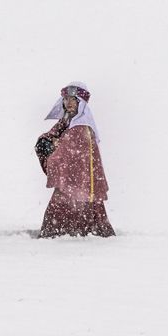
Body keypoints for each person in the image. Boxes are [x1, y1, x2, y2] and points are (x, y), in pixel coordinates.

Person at [35, 82, 115, 238]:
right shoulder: (66, 123)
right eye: (65, 99)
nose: (68, 103)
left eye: (73, 99)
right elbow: (49, 139)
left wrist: (51, 147)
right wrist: (49, 143)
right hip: (72, 187)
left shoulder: (80, 128)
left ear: (81, 103)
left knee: (60, 230)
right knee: (66, 228)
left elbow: (60, 157)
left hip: (76, 189)